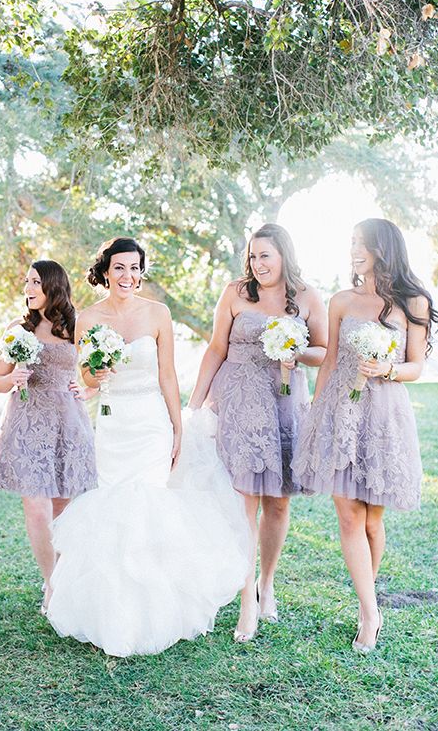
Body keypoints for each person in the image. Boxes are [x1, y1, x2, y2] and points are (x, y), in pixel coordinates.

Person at [46, 237, 249, 656]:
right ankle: (115, 615)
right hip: (112, 426)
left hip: (152, 425)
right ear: (105, 272)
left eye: (135, 268)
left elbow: (169, 376)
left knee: (149, 510)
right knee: (113, 512)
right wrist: (94, 378)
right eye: (120, 268)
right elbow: (84, 377)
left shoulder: (158, 314)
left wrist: (177, 429)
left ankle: (159, 613)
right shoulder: (88, 318)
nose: (128, 276)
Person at [294, 218, 438, 652]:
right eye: (352, 242)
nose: (354, 249)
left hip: (384, 414)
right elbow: (332, 361)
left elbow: (417, 366)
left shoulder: (412, 302)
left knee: (374, 520)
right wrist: (317, 413)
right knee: (349, 515)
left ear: (382, 248)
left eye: (361, 243)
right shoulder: (341, 300)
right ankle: (372, 614)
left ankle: (365, 602)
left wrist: (388, 368)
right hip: (341, 411)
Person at [188, 223, 327, 641]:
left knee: (278, 503)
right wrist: (194, 404)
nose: (257, 263)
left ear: (284, 254)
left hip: (284, 402)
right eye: (252, 256)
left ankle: (267, 583)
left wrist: (295, 352)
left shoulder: (306, 296)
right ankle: (247, 600)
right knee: (245, 502)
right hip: (239, 403)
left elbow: (323, 351)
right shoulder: (235, 292)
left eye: (265, 255)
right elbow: (216, 349)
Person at [0, 260, 97, 613]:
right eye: (27, 282)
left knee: (62, 506)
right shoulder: (18, 329)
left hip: (66, 420)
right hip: (27, 421)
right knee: (35, 506)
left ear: (53, 285)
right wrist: (14, 379)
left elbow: (95, 375)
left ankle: (64, 573)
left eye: (35, 282)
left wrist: (86, 390)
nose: (29, 288)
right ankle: (52, 583)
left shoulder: (76, 326)